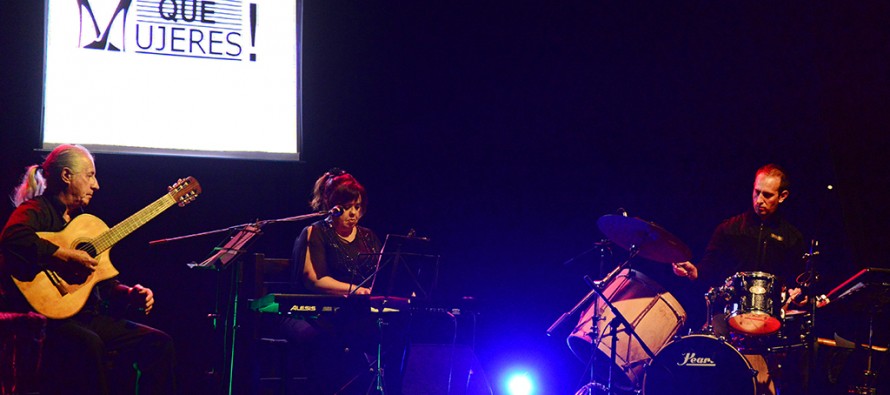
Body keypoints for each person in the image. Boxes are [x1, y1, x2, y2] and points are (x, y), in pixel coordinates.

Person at [0, 144, 176, 395]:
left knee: (159, 342)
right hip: (43, 318)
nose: (96, 185)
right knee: (90, 344)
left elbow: (100, 281)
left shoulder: (85, 224)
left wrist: (129, 293)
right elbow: (12, 238)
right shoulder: (36, 210)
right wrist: (63, 255)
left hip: (83, 316)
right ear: (66, 176)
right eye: (90, 175)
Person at [672, 163, 810, 395]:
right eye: (757, 193)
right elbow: (708, 267)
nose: (760, 200)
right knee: (713, 361)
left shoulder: (792, 238)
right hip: (728, 313)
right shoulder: (729, 229)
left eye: (768, 195)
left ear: (782, 196)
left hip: (771, 320)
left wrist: (797, 294)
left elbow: (797, 280)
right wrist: (693, 271)